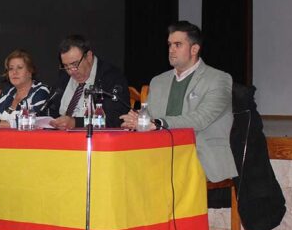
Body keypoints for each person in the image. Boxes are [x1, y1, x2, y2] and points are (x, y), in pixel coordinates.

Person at [120, 21, 238, 183]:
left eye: (178, 45)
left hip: (201, 158)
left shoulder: (218, 79)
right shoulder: (158, 81)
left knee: (159, 179)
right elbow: (150, 117)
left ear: (194, 49)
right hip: (161, 157)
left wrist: (159, 123)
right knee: (124, 173)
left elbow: (200, 119)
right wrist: (136, 120)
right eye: (169, 44)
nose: (171, 50)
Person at [48, 35, 130, 129]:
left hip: (96, 136)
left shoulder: (112, 77)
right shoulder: (64, 75)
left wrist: (76, 123)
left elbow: (116, 119)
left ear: (89, 56)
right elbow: (51, 109)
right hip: (61, 135)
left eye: (75, 64)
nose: (71, 71)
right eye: (66, 66)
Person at [0, 50, 50, 128]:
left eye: (19, 68)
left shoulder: (41, 92)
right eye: (11, 68)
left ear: (30, 71)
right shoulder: (7, 92)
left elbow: (33, 121)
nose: (14, 72)